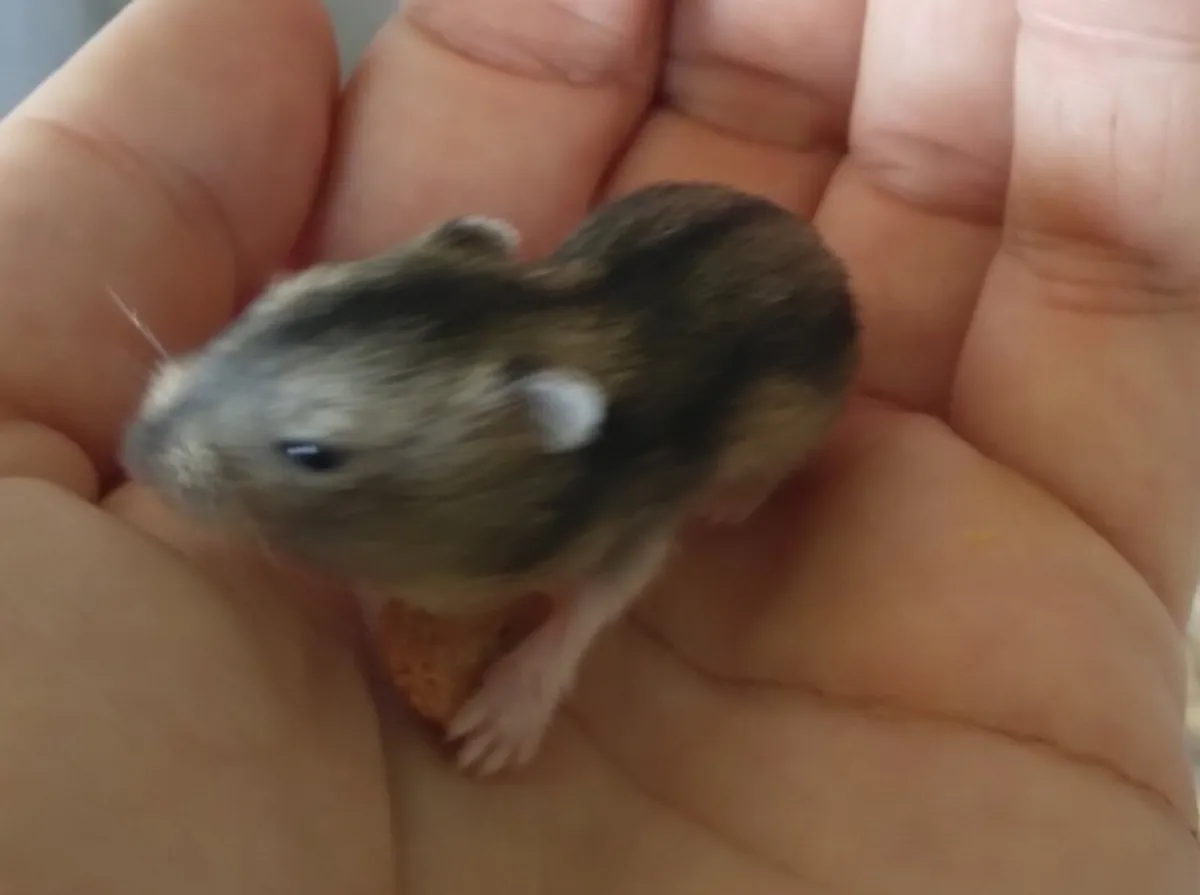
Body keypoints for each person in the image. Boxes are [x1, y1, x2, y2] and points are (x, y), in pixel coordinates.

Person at [0, 0, 1196, 890]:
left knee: (742, 457)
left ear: (542, 427)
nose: (161, 430)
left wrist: (543, 665)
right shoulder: (502, 418)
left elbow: (624, 552)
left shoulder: (592, 480)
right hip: (656, 268)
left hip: (777, 341)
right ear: (469, 247)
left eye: (314, 453)